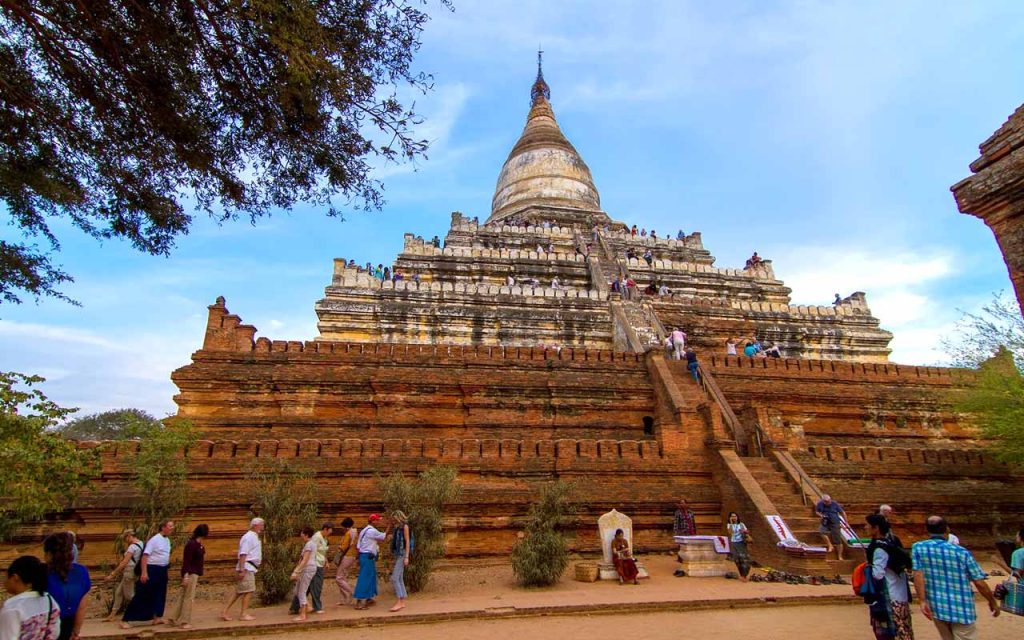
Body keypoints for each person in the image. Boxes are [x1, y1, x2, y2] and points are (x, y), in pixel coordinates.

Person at [912, 515, 999, 640]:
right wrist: (992, 602)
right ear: (947, 529)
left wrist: (922, 600)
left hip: (937, 606)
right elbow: (979, 582)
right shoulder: (961, 552)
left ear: (926, 529)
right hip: (962, 608)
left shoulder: (918, 548)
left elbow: (918, 574)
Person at [864, 514, 913, 640]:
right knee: (903, 630)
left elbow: (878, 574)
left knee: (891, 632)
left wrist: (866, 569)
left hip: (889, 597)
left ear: (876, 528)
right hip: (899, 595)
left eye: (867, 525)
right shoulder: (891, 544)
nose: (865, 527)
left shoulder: (879, 548)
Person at [121, 520, 173, 628]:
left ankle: (157, 616)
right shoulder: (154, 540)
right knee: (143, 593)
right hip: (151, 569)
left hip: (162, 570)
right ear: (163, 527)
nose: (172, 528)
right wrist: (144, 572)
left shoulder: (167, 540)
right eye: (170, 526)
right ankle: (127, 619)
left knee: (160, 593)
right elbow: (145, 556)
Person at [2, 555, 61, 640]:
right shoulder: (50, 600)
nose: (5, 581)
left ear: (15, 578)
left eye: (6, 577)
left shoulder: (13, 608)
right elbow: (55, 632)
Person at [44, 532, 90, 640]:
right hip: (69, 624)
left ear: (49, 554)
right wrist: (76, 631)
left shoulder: (43, 573)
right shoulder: (81, 571)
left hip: (47, 625)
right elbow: (82, 606)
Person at [221, 517, 264, 622]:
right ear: (255, 525)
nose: (262, 527)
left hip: (249, 567)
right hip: (247, 567)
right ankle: (243, 614)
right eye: (261, 525)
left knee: (240, 591)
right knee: (249, 590)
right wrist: (242, 569)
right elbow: (243, 553)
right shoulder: (249, 537)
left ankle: (224, 611)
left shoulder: (254, 537)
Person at [168, 524, 207, 629]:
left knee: (183, 596)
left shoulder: (198, 544)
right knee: (188, 598)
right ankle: (184, 621)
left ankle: (173, 617)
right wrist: (185, 575)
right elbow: (187, 561)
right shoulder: (192, 544)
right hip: (191, 573)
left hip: (194, 573)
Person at [290, 522, 332, 615]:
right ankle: (313, 607)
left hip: (315, 564)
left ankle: (297, 607)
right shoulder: (316, 538)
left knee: (305, 587)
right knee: (312, 586)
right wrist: (297, 570)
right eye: (330, 530)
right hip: (314, 564)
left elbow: (321, 552)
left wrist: (326, 561)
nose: (330, 532)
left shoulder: (323, 539)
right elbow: (307, 556)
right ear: (325, 529)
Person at [103, 529, 142, 622]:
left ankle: (141, 612)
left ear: (129, 536)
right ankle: (112, 615)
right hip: (135, 570)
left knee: (130, 595)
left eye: (125, 538)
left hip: (129, 571)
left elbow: (124, 562)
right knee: (119, 592)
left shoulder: (132, 547)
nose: (125, 541)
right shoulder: (141, 544)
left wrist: (112, 574)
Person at [353, 514, 389, 610]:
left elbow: (358, 545)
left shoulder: (364, 530)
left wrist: (358, 558)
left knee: (371, 577)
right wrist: (389, 526)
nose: (379, 522)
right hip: (367, 556)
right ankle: (360, 601)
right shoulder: (372, 531)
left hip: (364, 556)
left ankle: (368, 598)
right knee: (365, 578)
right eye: (377, 520)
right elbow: (383, 537)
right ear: (373, 521)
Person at [290, 527, 318, 622]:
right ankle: (308, 607)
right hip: (307, 568)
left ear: (306, 535)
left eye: (302, 534)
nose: (301, 536)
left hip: (307, 568)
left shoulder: (309, 544)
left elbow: (305, 559)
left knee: (302, 591)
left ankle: (303, 614)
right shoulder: (309, 544)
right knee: (297, 591)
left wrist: (296, 571)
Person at [389, 511, 411, 612]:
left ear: (399, 517)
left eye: (394, 519)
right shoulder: (397, 528)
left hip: (402, 554)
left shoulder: (405, 527)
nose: (393, 521)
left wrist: (406, 557)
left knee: (394, 578)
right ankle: (402, 602)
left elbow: (407, 542)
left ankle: (399, 600)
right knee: (400, 578)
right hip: (398, 554)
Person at [334, 518, 359, 605]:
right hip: (353, 556)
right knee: (342, 577)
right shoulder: (355, 533)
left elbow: (343, 547)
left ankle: (352, 592)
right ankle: (345, 598)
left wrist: (339, 546)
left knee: (339, 578)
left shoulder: (348, 534)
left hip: (347, 556)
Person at [815, 495, 846, 560]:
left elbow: (842, 512)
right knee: (822, 531)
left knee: (837, 540)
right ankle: (830, 545)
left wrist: (846, 523)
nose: (828, 502)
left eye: (829, 501)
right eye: (826, 502)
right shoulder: (820, 504)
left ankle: (840, 555)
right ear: (823, 501)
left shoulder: (835, 504)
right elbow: (817, 511)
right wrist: (821, 515)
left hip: (835, 522)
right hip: (825, 521)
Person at [725, 512, 753, 582]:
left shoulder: (741, 524)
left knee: (745, 558)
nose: (734, 517)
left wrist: (744, 531)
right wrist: (731, 523)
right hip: (734, 543)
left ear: (737, 517)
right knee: (737, 559)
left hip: (742, 543)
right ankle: (742, 574)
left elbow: (747, 532)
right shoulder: (729, 525)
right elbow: (730, 532)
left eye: (735, 516)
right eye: (732, 516)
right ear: (730, 518)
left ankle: (744, 575)